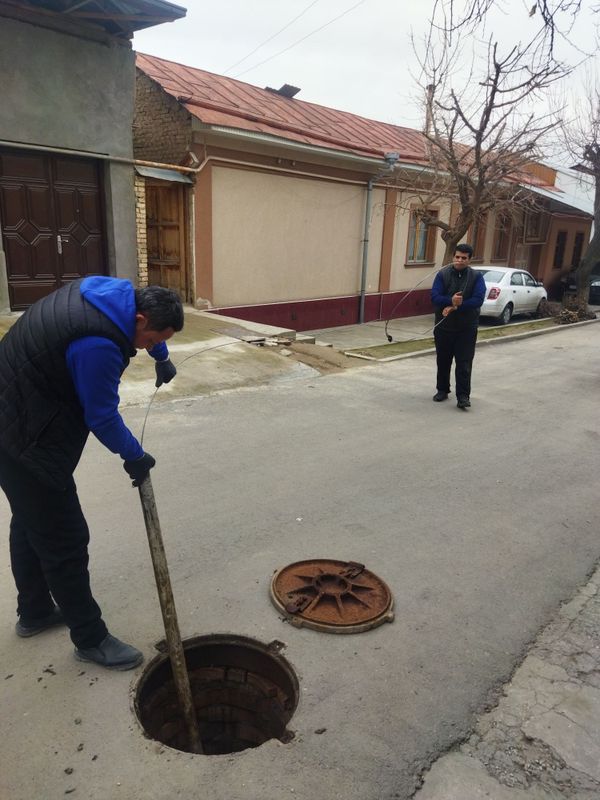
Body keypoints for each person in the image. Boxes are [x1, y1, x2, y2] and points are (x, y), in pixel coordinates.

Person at [0, 276, 184, 670]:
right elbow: (100, 415)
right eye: (150, 340)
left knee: (31, 521)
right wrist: (134, 456)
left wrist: (161, 354)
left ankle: (34, 612)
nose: (150, 345)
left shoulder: (113, 293)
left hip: (12, 409)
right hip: (26, 437)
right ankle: (91, 639)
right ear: (138, 319)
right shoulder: (97, 345)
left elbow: (151, 325)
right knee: (65, 539)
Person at [430, 243, 486, 409]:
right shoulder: (442, 274)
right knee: (443, 360)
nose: (459, 260)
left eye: (464, 258)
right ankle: (442, 390)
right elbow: (434, 296)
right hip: (444, 326)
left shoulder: (476, 277)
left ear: (469, 260)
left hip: (466, 328)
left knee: (464, 363)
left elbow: (478, 300)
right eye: (457, 257)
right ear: (453, 257)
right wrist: (449, 300)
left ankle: (463, 396)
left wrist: (457, 306)